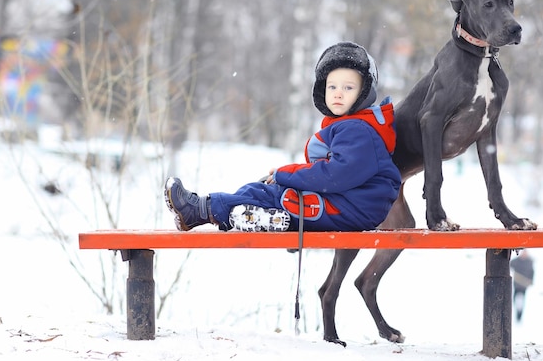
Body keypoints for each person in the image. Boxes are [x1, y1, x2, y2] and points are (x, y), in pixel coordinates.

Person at [164, 41, 401, 233]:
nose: (338, 93)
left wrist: (285, 174)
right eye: (332, 87)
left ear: (365, 93)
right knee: (261, 189)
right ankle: (249, 215)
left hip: (351, 207)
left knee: (274, 194)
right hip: (348, 204)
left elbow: (335, 176)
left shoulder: (358, 130)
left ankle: (201, 210)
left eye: (348, 88)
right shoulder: (351, 127)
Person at [510, 249, 535, 322]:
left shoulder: (529, 262)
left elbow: (532, 272)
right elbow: (510, 265)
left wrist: (531, 281)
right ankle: (517, 315)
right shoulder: (516, 261)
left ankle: (519, 317)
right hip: (517, 284)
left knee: (521, 300)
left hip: (524, 285)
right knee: (516, 300)